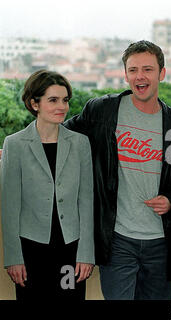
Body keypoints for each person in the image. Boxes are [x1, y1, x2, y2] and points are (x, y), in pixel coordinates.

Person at [64, 40, 171, 300]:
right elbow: (61, 134)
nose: (139, 76)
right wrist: (17, 147)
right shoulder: (101, 111)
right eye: (133, 70)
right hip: (117, 239)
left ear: (162, 74)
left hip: (160, 243)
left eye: (147, 69)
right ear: (126, 74)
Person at [1, 70, 94, 300]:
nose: (61, 106)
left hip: (70, 250)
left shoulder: (80, 144)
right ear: (35, 103)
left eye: (65, 100)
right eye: (53, 100)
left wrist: (86, 254)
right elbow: (10, 206)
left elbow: (87, 201)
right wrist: (14, 257)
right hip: (30, 251)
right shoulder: (15, 145)